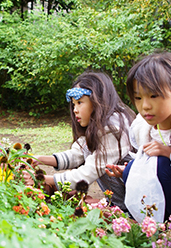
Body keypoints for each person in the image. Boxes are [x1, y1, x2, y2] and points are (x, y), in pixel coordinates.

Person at [105, 52, 171, 222]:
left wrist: (169, 153)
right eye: (138, 97)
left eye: (153, 96)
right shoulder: (141, 127)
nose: (145, 106)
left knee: (161, 165)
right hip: (164, 190)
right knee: (132, 168)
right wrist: (129, 170)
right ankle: (150, 225)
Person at [29, 71, 135, 211]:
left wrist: (43, 179)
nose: (75, 110)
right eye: (73, 104)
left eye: (79, 103)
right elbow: (77, 154)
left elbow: (89, 172)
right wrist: (38, 159)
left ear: (98, 101)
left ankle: (122, 212)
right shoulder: (97, 125)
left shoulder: (113, 128)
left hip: (135, 202)